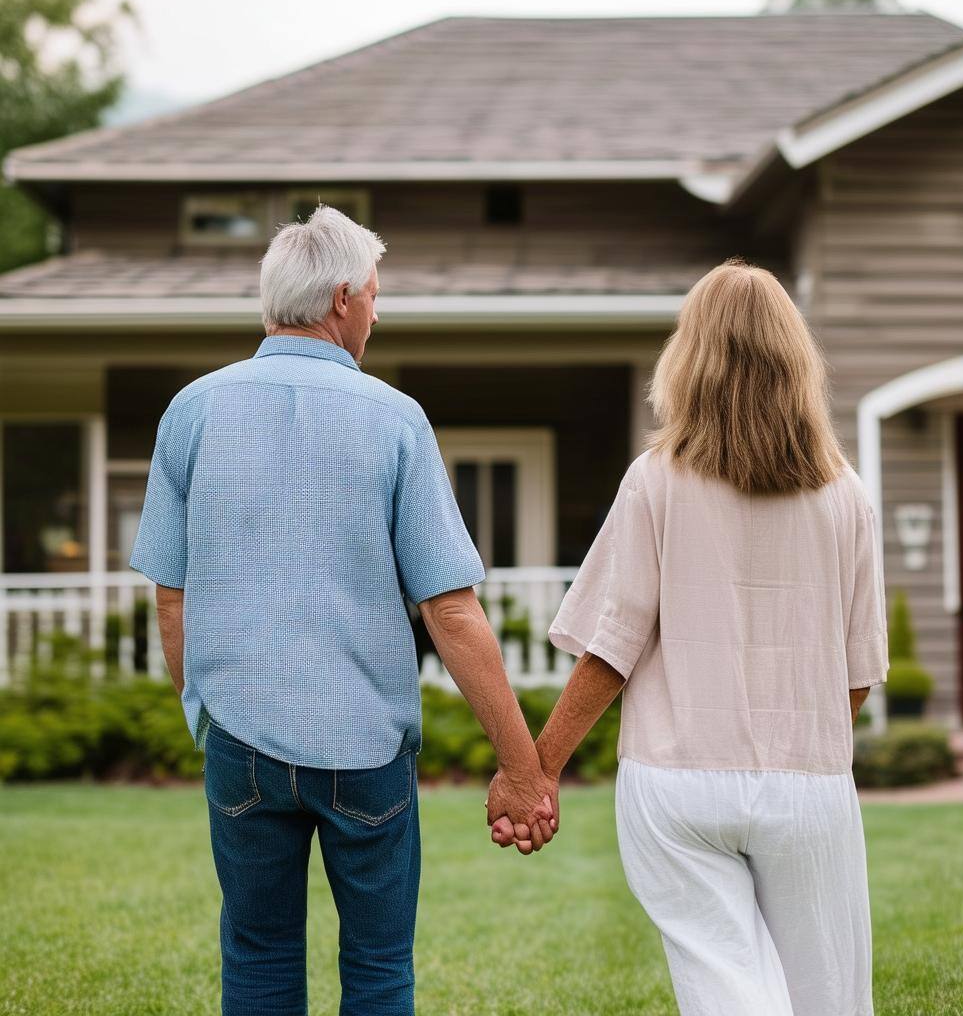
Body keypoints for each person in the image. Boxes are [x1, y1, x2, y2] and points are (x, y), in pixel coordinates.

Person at [130, 205, 556, 1016]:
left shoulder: (192, 411)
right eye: (373, 293)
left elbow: (172, 593)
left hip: (242, 746)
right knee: (378, 967)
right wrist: (522, 768)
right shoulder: (394, 418)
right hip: (365, 751)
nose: (375, 309)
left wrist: (206, 716)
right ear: (340, 300)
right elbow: (452, 611)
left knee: (256, 959)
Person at [492, 259, 888, 1016]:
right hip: (808, 784)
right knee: (829, 996)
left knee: (723, 987)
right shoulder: (848, 497)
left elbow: (610, 650)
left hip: (675, 783)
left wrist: (535, 773)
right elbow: (858, 677)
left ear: (690, 356)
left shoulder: (656, 479)